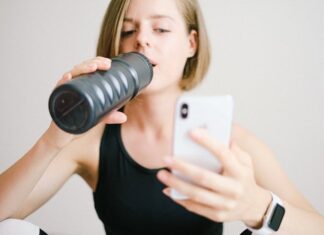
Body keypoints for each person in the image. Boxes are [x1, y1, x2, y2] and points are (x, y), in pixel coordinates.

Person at [0, 0, 323, 234]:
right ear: (117, 46)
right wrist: (53, 139)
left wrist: (258, 207)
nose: (142, 39)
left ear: (191, 44)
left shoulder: (230, 142)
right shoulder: (90, 140)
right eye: (128, 30)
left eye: (161, 28)